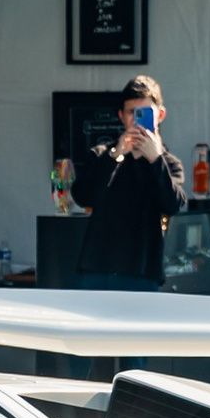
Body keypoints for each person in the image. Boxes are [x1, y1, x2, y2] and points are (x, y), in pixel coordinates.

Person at [69, 74, 184, 291]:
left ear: (160, 115)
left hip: (141, 271)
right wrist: (116, 155)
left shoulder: (169, 163)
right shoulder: (103, 154)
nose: (136, 119)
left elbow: (173, 204)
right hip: (97, 268)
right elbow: (82, 195)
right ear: (121, 116)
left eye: (145, 113)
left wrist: (155, 160)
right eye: (132, 113)